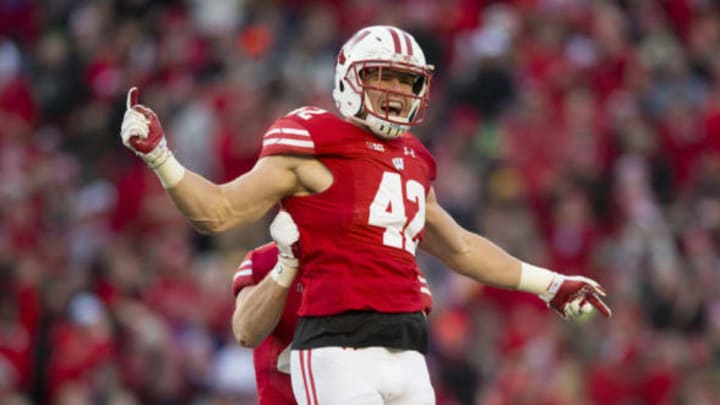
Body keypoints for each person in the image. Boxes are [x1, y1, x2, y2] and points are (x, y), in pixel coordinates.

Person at [120, 25, 611, 404]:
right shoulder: (313, 144)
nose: (397, 92)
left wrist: (549, 284)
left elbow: (460, 246)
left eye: (407, 80)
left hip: (409, 348)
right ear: (349, 77)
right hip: (336, 345)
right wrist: (161, 156)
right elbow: (219, 212)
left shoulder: (416, 158)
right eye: (383, 76)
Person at [232, 211, 434, 404]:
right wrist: (285, 267)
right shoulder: (263, 260)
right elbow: (246, 333)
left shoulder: (391, 261)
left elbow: (410, 340)